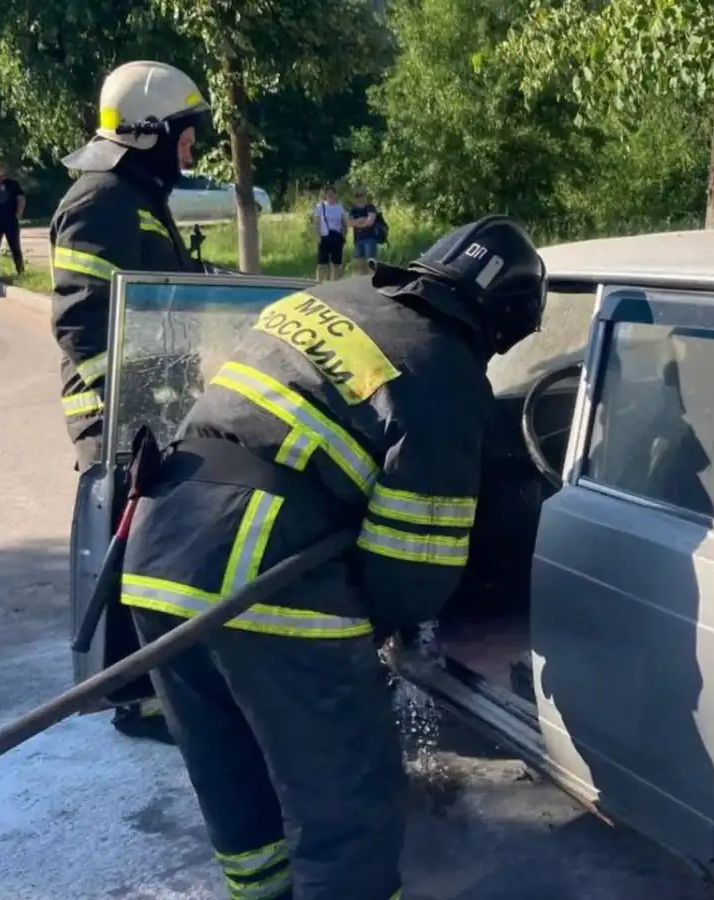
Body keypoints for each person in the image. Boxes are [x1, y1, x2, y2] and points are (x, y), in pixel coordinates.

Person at [117, 214, 547, 900]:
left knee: (233, 773)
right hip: (261, 574)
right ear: (502, 321)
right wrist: (374, 634)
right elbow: (412, 569)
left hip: (160, 539)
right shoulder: (445, 373)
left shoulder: (329, 299)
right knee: (347, 804)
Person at [50, 59, 213, 745]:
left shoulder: (136, 197)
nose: (191, 151)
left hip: (153, 407)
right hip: (118, 415)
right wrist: (134, 412)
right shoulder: (100, 201)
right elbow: (82, 320)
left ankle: (157, 683)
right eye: (185, 136)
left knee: (155, 550)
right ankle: (137, 698)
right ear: (150, 132)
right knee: (132, 555)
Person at [0, 162, 26, 282]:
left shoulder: (12, 184)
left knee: (15, 247)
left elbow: (21, 198)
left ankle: (20, 271)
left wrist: (18, 214)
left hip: (10, 220)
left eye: (0, 170)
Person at [312, 185, 346, 281]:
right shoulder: (320, 207)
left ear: (335, 194)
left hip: (336, 236)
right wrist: (318, 237)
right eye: (328, 194)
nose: (330, 196)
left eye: (332, 194)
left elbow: (344, 224)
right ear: (325, 195)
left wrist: (343, 237)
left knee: (336, 264)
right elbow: (316, 223)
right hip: (324, 236)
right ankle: (319, 283)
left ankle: (335, 283)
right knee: (322, 264)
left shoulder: (339, 208)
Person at [349, 187, 379, 275]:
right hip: (358, 239)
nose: (359, 198)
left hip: (369, 238)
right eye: (357, 196)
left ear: (365, 196)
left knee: (370, 261)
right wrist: (361, 220)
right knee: (359, 264)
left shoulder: (370, 207)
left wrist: (358, 223)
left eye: (361, 195)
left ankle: (373, 278)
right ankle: (361, 280)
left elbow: (370, 222)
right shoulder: (353, 209)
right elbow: (349, 223)